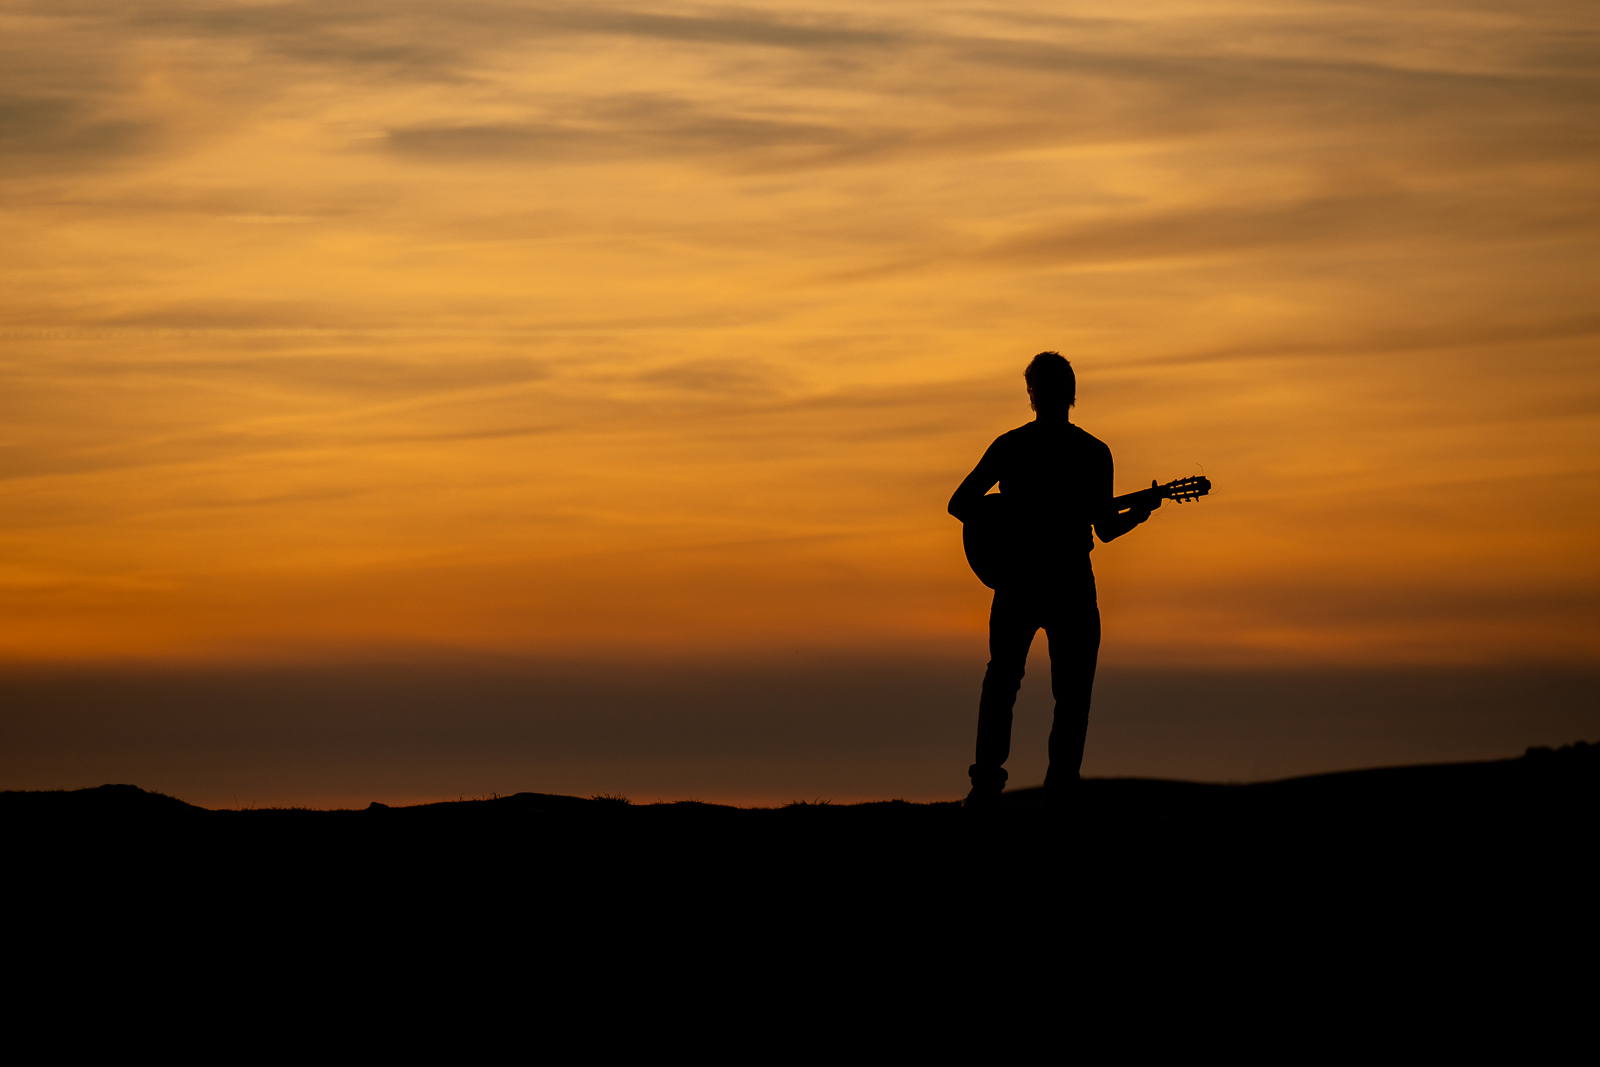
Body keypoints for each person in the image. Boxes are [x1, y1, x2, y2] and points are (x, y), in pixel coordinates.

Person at [948, 352, 1155, 809]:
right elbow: (961, 503)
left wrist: (1137, 516)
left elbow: (1102, 527)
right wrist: (1013, 522)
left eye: (1055, 385)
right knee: (1005, 682)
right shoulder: (1011, 447)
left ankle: (1057, 791)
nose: (1049, 394)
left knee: (1068, 690)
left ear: (1068, 393)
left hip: (1069, 581)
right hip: (1023, 580)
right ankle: (987, 790)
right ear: (1032, 394)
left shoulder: (1094, 453)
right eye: (1043, 386)